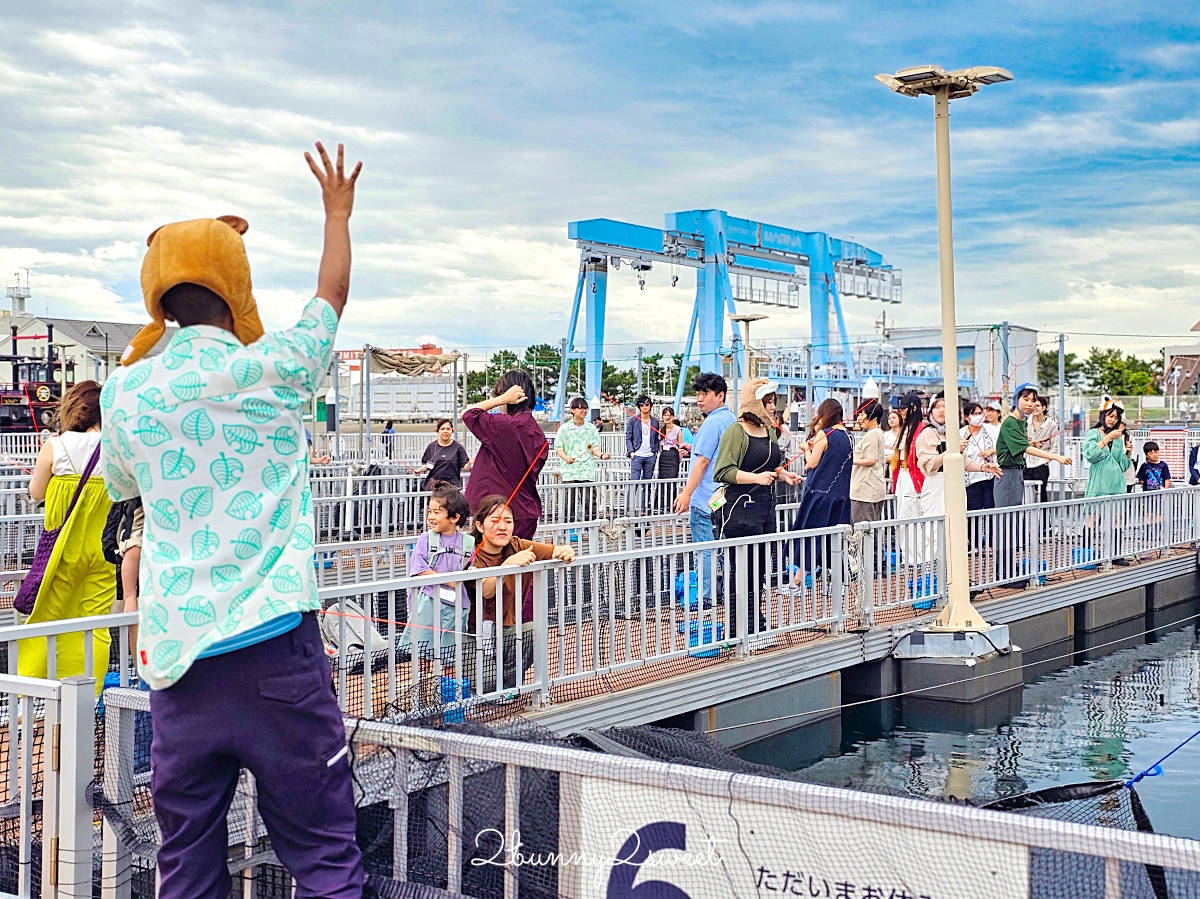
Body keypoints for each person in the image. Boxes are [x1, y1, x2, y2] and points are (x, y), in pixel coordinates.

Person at [99, 141, 364, 897]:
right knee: (322, 856)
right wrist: (336, 212)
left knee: (186, 865)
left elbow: (122, 477)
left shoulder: (129, 393)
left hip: (179, 661)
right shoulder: (277, 366)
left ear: (157, 297)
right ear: (237, 287)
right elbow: (331, 296)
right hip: (277, 645)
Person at [21, 380, 113, 687]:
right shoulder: (117, 449)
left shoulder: (57, 446)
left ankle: (30, 698)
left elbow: (36, 492)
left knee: (46, 620)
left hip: (62, 552)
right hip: (103, 554)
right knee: (95, 624)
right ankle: (91, 693)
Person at [712, 380, 801, 635]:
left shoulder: (770, 431)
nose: (773, 407)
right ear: (755, 402)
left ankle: (753, 617)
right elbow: (723, 471)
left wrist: (783, 476)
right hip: (740, 508)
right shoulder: (736, 431)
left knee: (760, 566)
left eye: (774, 401)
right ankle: (737, 623)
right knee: (740, 567)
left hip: (765, 508)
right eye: (768, 402)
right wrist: (757, 478)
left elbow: (772, 466)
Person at [465, 494, 574, 690]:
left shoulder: (517, 545)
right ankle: (495, 685)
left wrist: (566, 551)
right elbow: (486, 591)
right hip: (473, 632)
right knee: (487, 682)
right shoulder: (470, 552)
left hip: (506, 628)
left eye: (508, 521)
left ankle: (506, 688)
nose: (502, 527)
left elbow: (557, 549)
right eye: (495, 521)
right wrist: (508, 565)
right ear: (480, 526)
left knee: (534, 631)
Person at [672, 373, 736, 601]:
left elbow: (703, 461)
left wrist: (686, 493)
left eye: (705, 394)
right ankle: (728, 594)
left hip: (705, 500)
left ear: (720, 396)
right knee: (725, 551)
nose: (699, 399)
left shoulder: (711, 423)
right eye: (698, 394)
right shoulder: (732, 420)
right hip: (726, 499)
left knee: (705, 550)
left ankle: (706, 597)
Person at [463, 371, 547, 540]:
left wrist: (501, 399)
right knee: (520, 562)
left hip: (499, 512)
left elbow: (468, 414)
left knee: (494, 564)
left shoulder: (505, 425)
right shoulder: (537, 431)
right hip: (525, 509)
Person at [398, 482, 473, 664]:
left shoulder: (468, 542)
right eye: (429, 512)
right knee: (422, 652)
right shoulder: (426, 539)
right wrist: (450, 581)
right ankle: (422, 690)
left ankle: (445, 690)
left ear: (454, 518)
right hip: (429, 602)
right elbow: (419, 569)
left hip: (457, 605)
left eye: (436, 512)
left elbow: (472, 568)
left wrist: (471, 573)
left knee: (450, 656)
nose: (430, 517)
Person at [791, 398, 853, 581]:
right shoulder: (849, 436)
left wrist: (805, 448)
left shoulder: (824, 434)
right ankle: (840, 581)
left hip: (819, 495)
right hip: (841, 496)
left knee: (809, 537)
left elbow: (811, 462)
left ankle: (798, 582)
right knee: (834, 542)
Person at [555, 397, 609, 523]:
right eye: (580, 408)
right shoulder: (564, 429)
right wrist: (566, 458)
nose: (583, 411)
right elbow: (558, 448)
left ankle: (590, 528)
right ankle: (569, 530)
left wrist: (601, 455)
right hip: (570, 471)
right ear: (572, 410)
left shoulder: (591, 428)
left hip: (586, 471)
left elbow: (594, 448)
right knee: (569, 504)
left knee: (590, 503)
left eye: (585, 408)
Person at [1083, 399, 1131, 499]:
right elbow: (1090, 455)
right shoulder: (1093, 433)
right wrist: (1108, 438)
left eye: (1117, 418)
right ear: (1103, 415)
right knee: (1093, 512)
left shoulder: (1118, 438)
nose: (1113, 420)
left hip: (1117, 485)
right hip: (1099, 485)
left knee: (1116, 514)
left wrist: (1128, 453)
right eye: (1110, 416)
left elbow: (1123, 467)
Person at [850, 399, 887, 524]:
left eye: (862, 414)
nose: (859, 418)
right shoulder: (879, 433)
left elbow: (871, 460)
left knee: (862, 532)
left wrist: (850, 460)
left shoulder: (871, 435)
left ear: (872, 416)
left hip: (865, 490)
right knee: (872, 530)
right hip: (874, 488)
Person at [626, 394, 661, 512]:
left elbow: (656, 437)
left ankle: (643, 507)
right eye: (642, 405)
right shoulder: (633, 420)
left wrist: (655, 451)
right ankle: (628, 508)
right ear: (639, 407)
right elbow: (628, 437)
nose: (645, 407)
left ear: (650, 406)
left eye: (647, 404)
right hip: (637, 455)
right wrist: (631, 452)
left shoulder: (655, 421)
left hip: (650, 455)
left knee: (647, 483)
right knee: (634, 482)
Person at [961, 402, 998, 512]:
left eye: (980, 413)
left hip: (988, 478)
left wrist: (990, 451)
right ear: (967, 417)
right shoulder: (961, 433)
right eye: (974, 414)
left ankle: (990, 530)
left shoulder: (991, 429)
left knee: (990, 510)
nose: (978, 416)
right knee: (974, 512)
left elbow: (1003, 447)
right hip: (970, 481)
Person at [415, 418, 471, 489]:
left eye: (448, 429)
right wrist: (419, 470)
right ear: (438, 431)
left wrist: (470, 463)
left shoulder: (458, 447)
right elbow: (428, 465)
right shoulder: (432, 446)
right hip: (434, 486)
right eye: (442, 429)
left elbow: (465, 467)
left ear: (452, 431)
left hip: (452, 487)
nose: (445, 431)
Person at [1024, 395, 1057, 503]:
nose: (1034, 408)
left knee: (1041, 493)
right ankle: (1026, 519)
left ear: (1043, 407)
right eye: (1032, 406)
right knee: (1026, 494)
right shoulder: (1025, 423)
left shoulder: (1051, 425)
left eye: (1037, 405)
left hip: (1041, 464)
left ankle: (1043, 519)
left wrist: (1045, 461)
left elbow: (1055, 445)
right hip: (1026, 462)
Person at [657, 406, 692, 480]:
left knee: (672, 478)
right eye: (665, 415)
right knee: (662, 478)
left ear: (672, 417)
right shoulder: (661, 430)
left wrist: (679, 459)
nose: (666, 417)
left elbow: (681, 445)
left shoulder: (678, 429)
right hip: (663, 456)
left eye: (668, 415)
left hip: (673, 456)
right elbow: (660, 445)